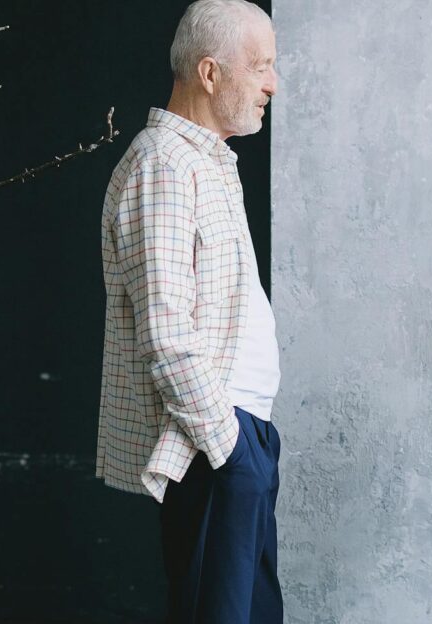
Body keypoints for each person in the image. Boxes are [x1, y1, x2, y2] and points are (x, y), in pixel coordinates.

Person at [95, 1, 282, 621]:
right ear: (209, 72)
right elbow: (167, 332)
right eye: (260, 66)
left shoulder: (203, 163)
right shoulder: (165, 166)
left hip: (238, 439)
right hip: (214, 446)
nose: (271, 84)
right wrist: (230, 450)